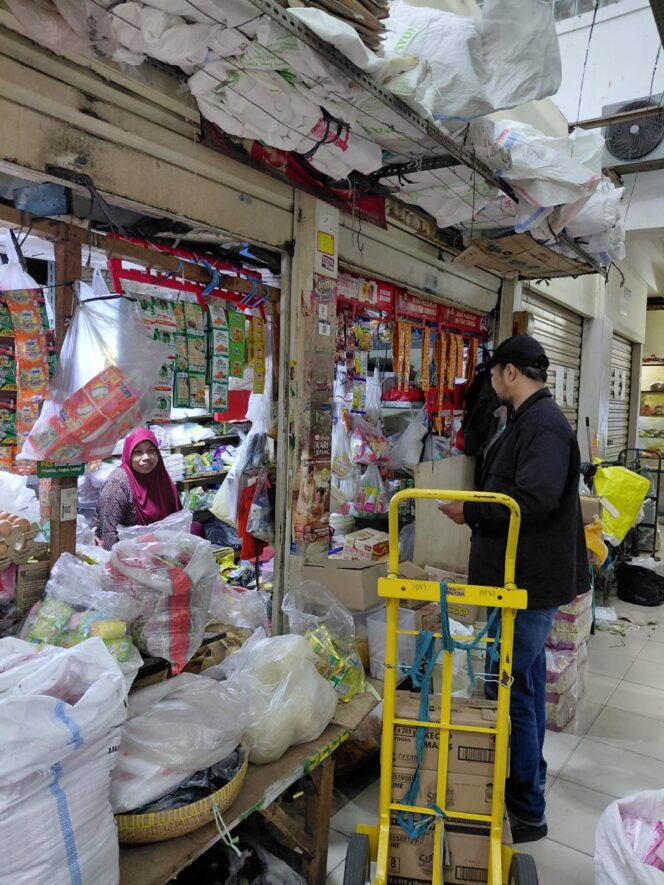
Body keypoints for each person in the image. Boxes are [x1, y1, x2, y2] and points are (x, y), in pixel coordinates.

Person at [440, 334, 588, 844]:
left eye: (495, 372)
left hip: (527, 584)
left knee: (507, 692)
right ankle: (528, 793)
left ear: (509, 372)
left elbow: (536, 498)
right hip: (519, 580)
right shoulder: (528, 420)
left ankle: (525, 808)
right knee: (521, 686)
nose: (493, 382)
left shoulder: (542, 424)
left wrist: (472, 510)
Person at [96, 428, 183, 549]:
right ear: (129, 454)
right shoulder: (117, 484)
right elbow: (108, 533)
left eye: (151, 450)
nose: (146, 457)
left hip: (163, 549)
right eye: (138, 452)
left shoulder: (160, 477)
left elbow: (176, 521)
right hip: (130, 553)